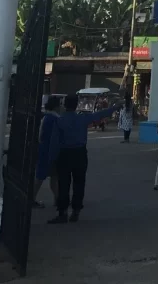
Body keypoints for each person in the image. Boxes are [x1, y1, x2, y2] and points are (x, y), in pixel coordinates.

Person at [46, 93, 117, 224]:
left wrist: (51, 160)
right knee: (79, 182)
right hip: (80, 153)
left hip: (64, 154)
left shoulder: (60, 120)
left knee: (63, 184)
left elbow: (54, 142)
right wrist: (115, 107)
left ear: (64, 105)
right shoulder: (82, 118)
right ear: (76, 105)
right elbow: (100, 114)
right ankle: (76, 211)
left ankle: (62, 213)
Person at [32, 95, 62, 208]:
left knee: (45, 177)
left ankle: (58, 198)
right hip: (51, 151)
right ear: (56, 106)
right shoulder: (55, 119)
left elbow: (40, 136)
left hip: (44, 149)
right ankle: (57, 199)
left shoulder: (46, 117)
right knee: (50, 177)